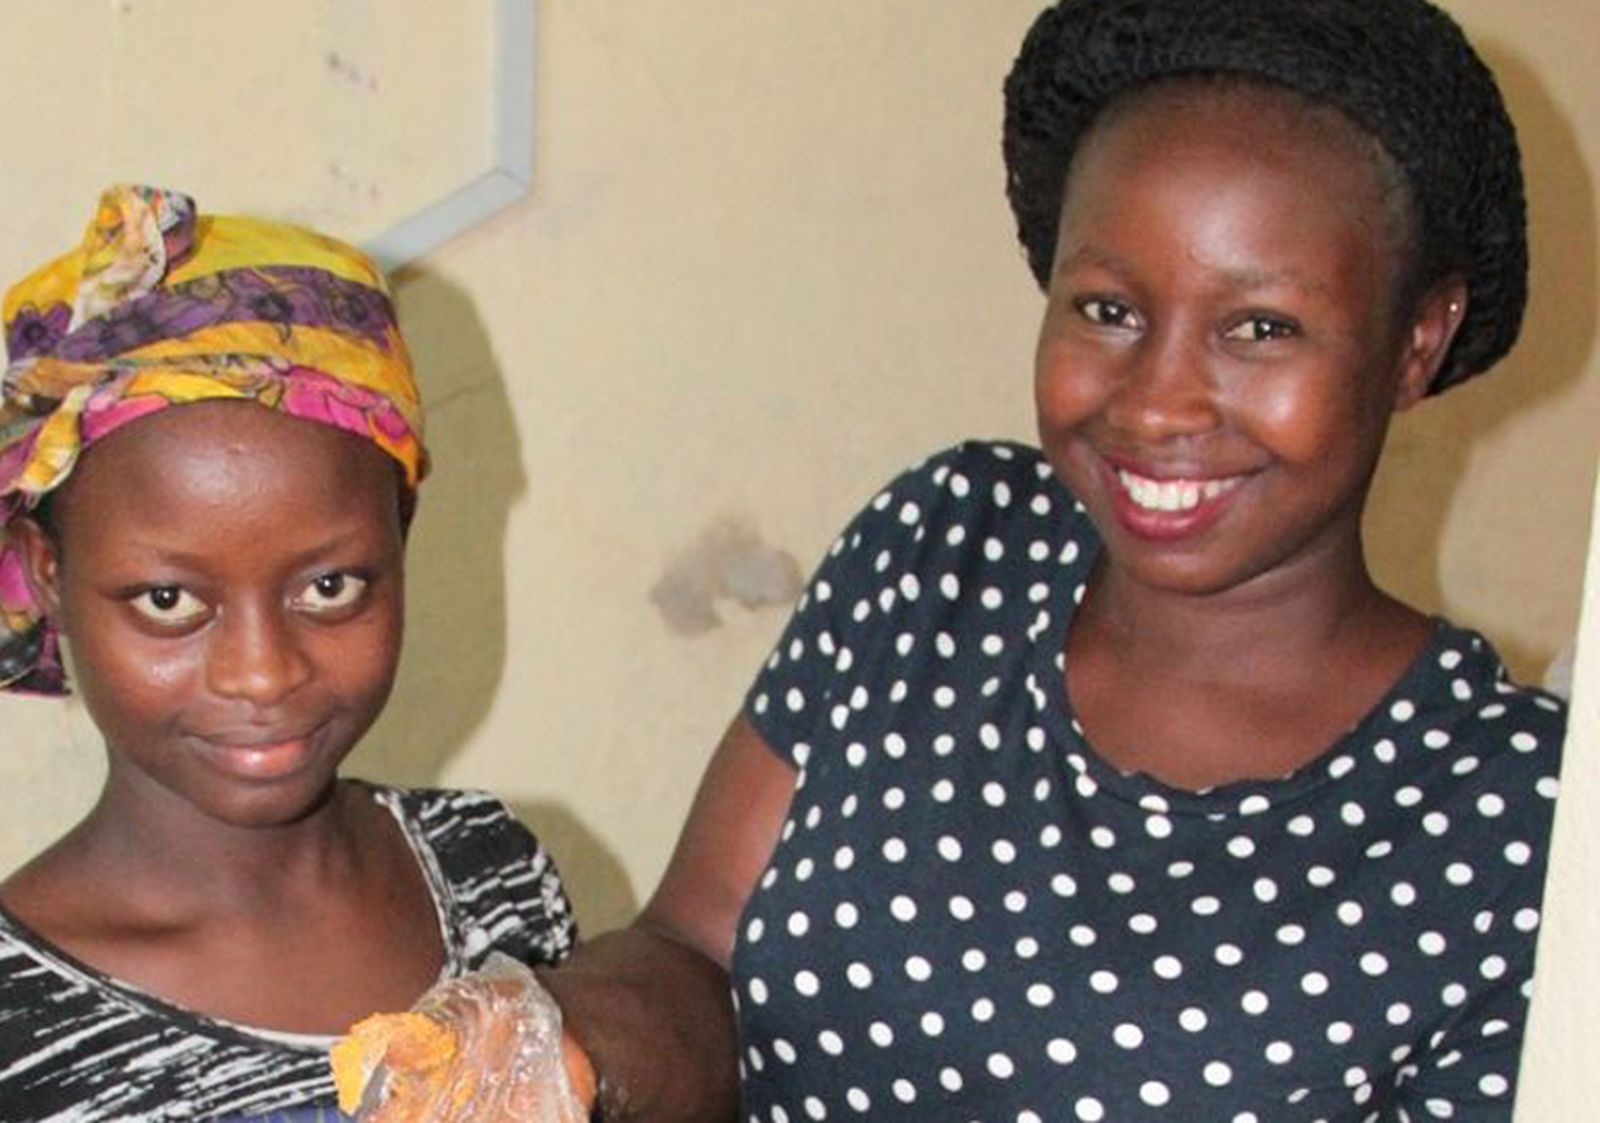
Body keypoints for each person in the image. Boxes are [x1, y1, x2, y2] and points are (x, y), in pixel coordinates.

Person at [352, 0, 1568, 1120]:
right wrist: (561, 1052)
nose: (1157, 402)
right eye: (1108, 309)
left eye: (1259, 328)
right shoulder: (949, 549)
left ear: (1418, 341)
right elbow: (700, 949)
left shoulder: (1519, 821)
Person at [0, 185, 576, 1121]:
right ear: (48, 573)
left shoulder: (487, 869)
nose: (263, 673)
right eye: (169, 601)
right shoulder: (18, 1021)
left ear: (400, 538)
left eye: (330, 587)